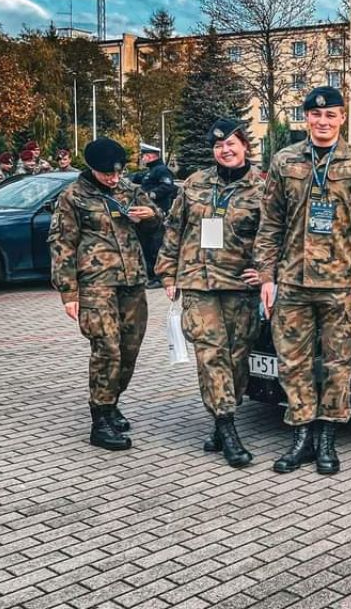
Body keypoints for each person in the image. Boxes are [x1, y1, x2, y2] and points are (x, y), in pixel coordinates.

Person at [254, 85, 351, 475]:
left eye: (331, 115)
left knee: (336, 364)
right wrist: (267, 276)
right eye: (316, 115)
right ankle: (301, 438)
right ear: (306, 118)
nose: (323, 121)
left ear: (342, 117)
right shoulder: (285, 161)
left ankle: (327, 438)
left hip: (339, 284)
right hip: (291, 283)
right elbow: (270, 224)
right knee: (292, 364)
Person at [156, 120, 264, 468]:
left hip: (240, 286)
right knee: (211, 355)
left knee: (237, 358)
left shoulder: (264, 188)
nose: (225, 150)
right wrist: (167, 272)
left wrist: (267, 273)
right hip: (198, 282)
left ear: (245, 146)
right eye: (219, 146)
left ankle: (221, 421)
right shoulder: (195, 183)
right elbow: (175, 228)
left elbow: (277, 235)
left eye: (231, 144)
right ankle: (228, 430)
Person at [48, 137, 162, 450]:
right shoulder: (73, 196)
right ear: (92, 168)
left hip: (132, 282)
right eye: (106, 174)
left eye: (117, 172)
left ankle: (111, 404)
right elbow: (61, 244)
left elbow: (157, 225)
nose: (113, 178)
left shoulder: (129, 189)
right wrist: (68, 292)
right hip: (95, 284)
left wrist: (150, 217)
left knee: (129, 350)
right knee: (107, 349)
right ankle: (99, 421)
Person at [136, 143, 178, 288]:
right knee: (147, 247)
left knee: (155, 247)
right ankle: (151, 276)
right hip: (148, 216)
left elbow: (167, 186)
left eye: (144, 156)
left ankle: (158, 278)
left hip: (158, 215)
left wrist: (149, 196)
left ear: (151, 156)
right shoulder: (151, 171)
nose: (142, 159)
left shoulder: (161, 170)